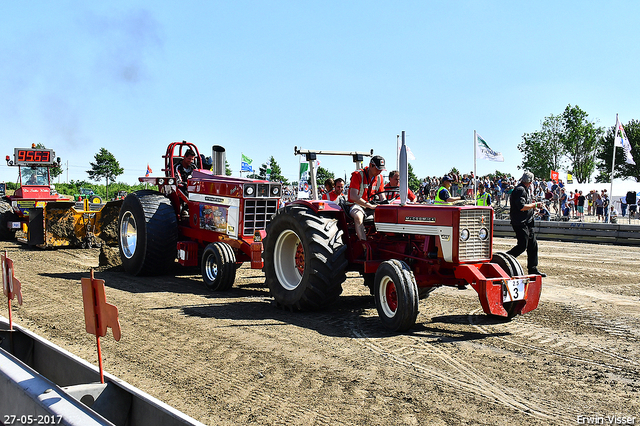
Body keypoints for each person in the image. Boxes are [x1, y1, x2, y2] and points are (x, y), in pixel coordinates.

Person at [506, 171, 546, 277]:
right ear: (530, 181)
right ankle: (504, 260)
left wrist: (534, 209)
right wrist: (535, 205)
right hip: (520, 223)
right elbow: (521, 207)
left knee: (533, 245)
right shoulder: (520, 190)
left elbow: (525, 206)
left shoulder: (525, 190)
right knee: (522, 245)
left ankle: (533, 269)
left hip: (528, 222)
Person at [348, 155, 386, 240]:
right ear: (370, 165)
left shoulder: (379, 178)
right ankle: (364, 246)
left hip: (371, 205)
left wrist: (385, 204)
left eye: (381, 169)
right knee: (358, 216)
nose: (379, 171)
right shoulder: (358, 175)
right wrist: (369, 206)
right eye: (377, 169)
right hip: (356, 205)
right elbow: (353, 196)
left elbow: (382, 195)